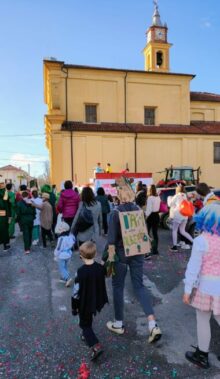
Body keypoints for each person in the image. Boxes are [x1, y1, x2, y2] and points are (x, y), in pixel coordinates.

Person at [106, 177, 162, 343]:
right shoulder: (138, 210)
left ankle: (118, 323)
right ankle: (152, 324)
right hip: (137, 252)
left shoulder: (115, 213)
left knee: (117, 286)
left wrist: (110, 261)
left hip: (121, 255)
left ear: (119, 194)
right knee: (139, 286)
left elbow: (111, 241)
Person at [183, 201, 220, 369]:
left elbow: (193, 268)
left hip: (206, 286)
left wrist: (187, 290)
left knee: (203, 320)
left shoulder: (200, 241)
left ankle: (202, 355)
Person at [71, 241, 108, 360]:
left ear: (81, 256)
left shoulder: (80, 272)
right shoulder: (100, 268)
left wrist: (74, 307)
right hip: (96, 299)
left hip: (84, 302)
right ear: (95, 254)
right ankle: (85, 335)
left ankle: (95, 345)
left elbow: (76, 292)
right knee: (88, 319)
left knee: (84, 324)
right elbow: (105, 272)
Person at [169, 184, 194, 252]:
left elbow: (170, 204)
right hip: (185, 216)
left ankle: (174, 247)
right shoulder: (185, 195)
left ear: (177, 189)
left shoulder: (177, 196)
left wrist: (170, 199)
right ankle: (194, 242)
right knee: (182, 231)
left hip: (178, 215)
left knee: (174, 230)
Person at [54, 221, 75, 287]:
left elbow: (59, 248)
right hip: (68, 254)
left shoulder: (61, 238)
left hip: (62, 255)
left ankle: (67, 278)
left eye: (60, 229)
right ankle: (64, 278)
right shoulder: (70, 237)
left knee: (61, 267)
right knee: (65, 266)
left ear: (63, 230)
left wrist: (56, 254)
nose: (59, 230)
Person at [145, 184, 161, 258]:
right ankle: (155, 249)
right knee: (155, 233)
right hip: (156, 215)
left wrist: (145, 216)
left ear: (150, 190)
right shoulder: (158, 197)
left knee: (147, 232)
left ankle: (147, 249)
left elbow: (149, 209)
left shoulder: (150, 198)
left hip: (151, 216)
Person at [0, 183, 11, 252]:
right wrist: (9, 215)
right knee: (4, 229)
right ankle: (5, 245)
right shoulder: (5, 192)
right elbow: (6, 203)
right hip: (2, 213)